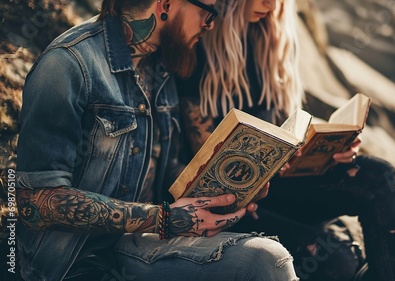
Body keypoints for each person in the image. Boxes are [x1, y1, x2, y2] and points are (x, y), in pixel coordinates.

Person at [14, 0, 299, 280]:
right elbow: (35, 202)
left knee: (265, 259)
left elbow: (163, 167)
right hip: (74, 261)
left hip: (140, 245)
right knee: (267, 261)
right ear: (166, 5)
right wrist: (164, 218)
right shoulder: (67, 64)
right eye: (207, 12)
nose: (210, 25)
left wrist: (228, 190)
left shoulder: (162, 64)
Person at [176, 0, 395, 280]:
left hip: (281, 184)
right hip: (237, 201)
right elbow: (207, 164)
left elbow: (284, 127)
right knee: (335, 260)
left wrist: (326, 149)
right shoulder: (197, 42)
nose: (269, 3)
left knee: (378, 176)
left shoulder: (268, 41)